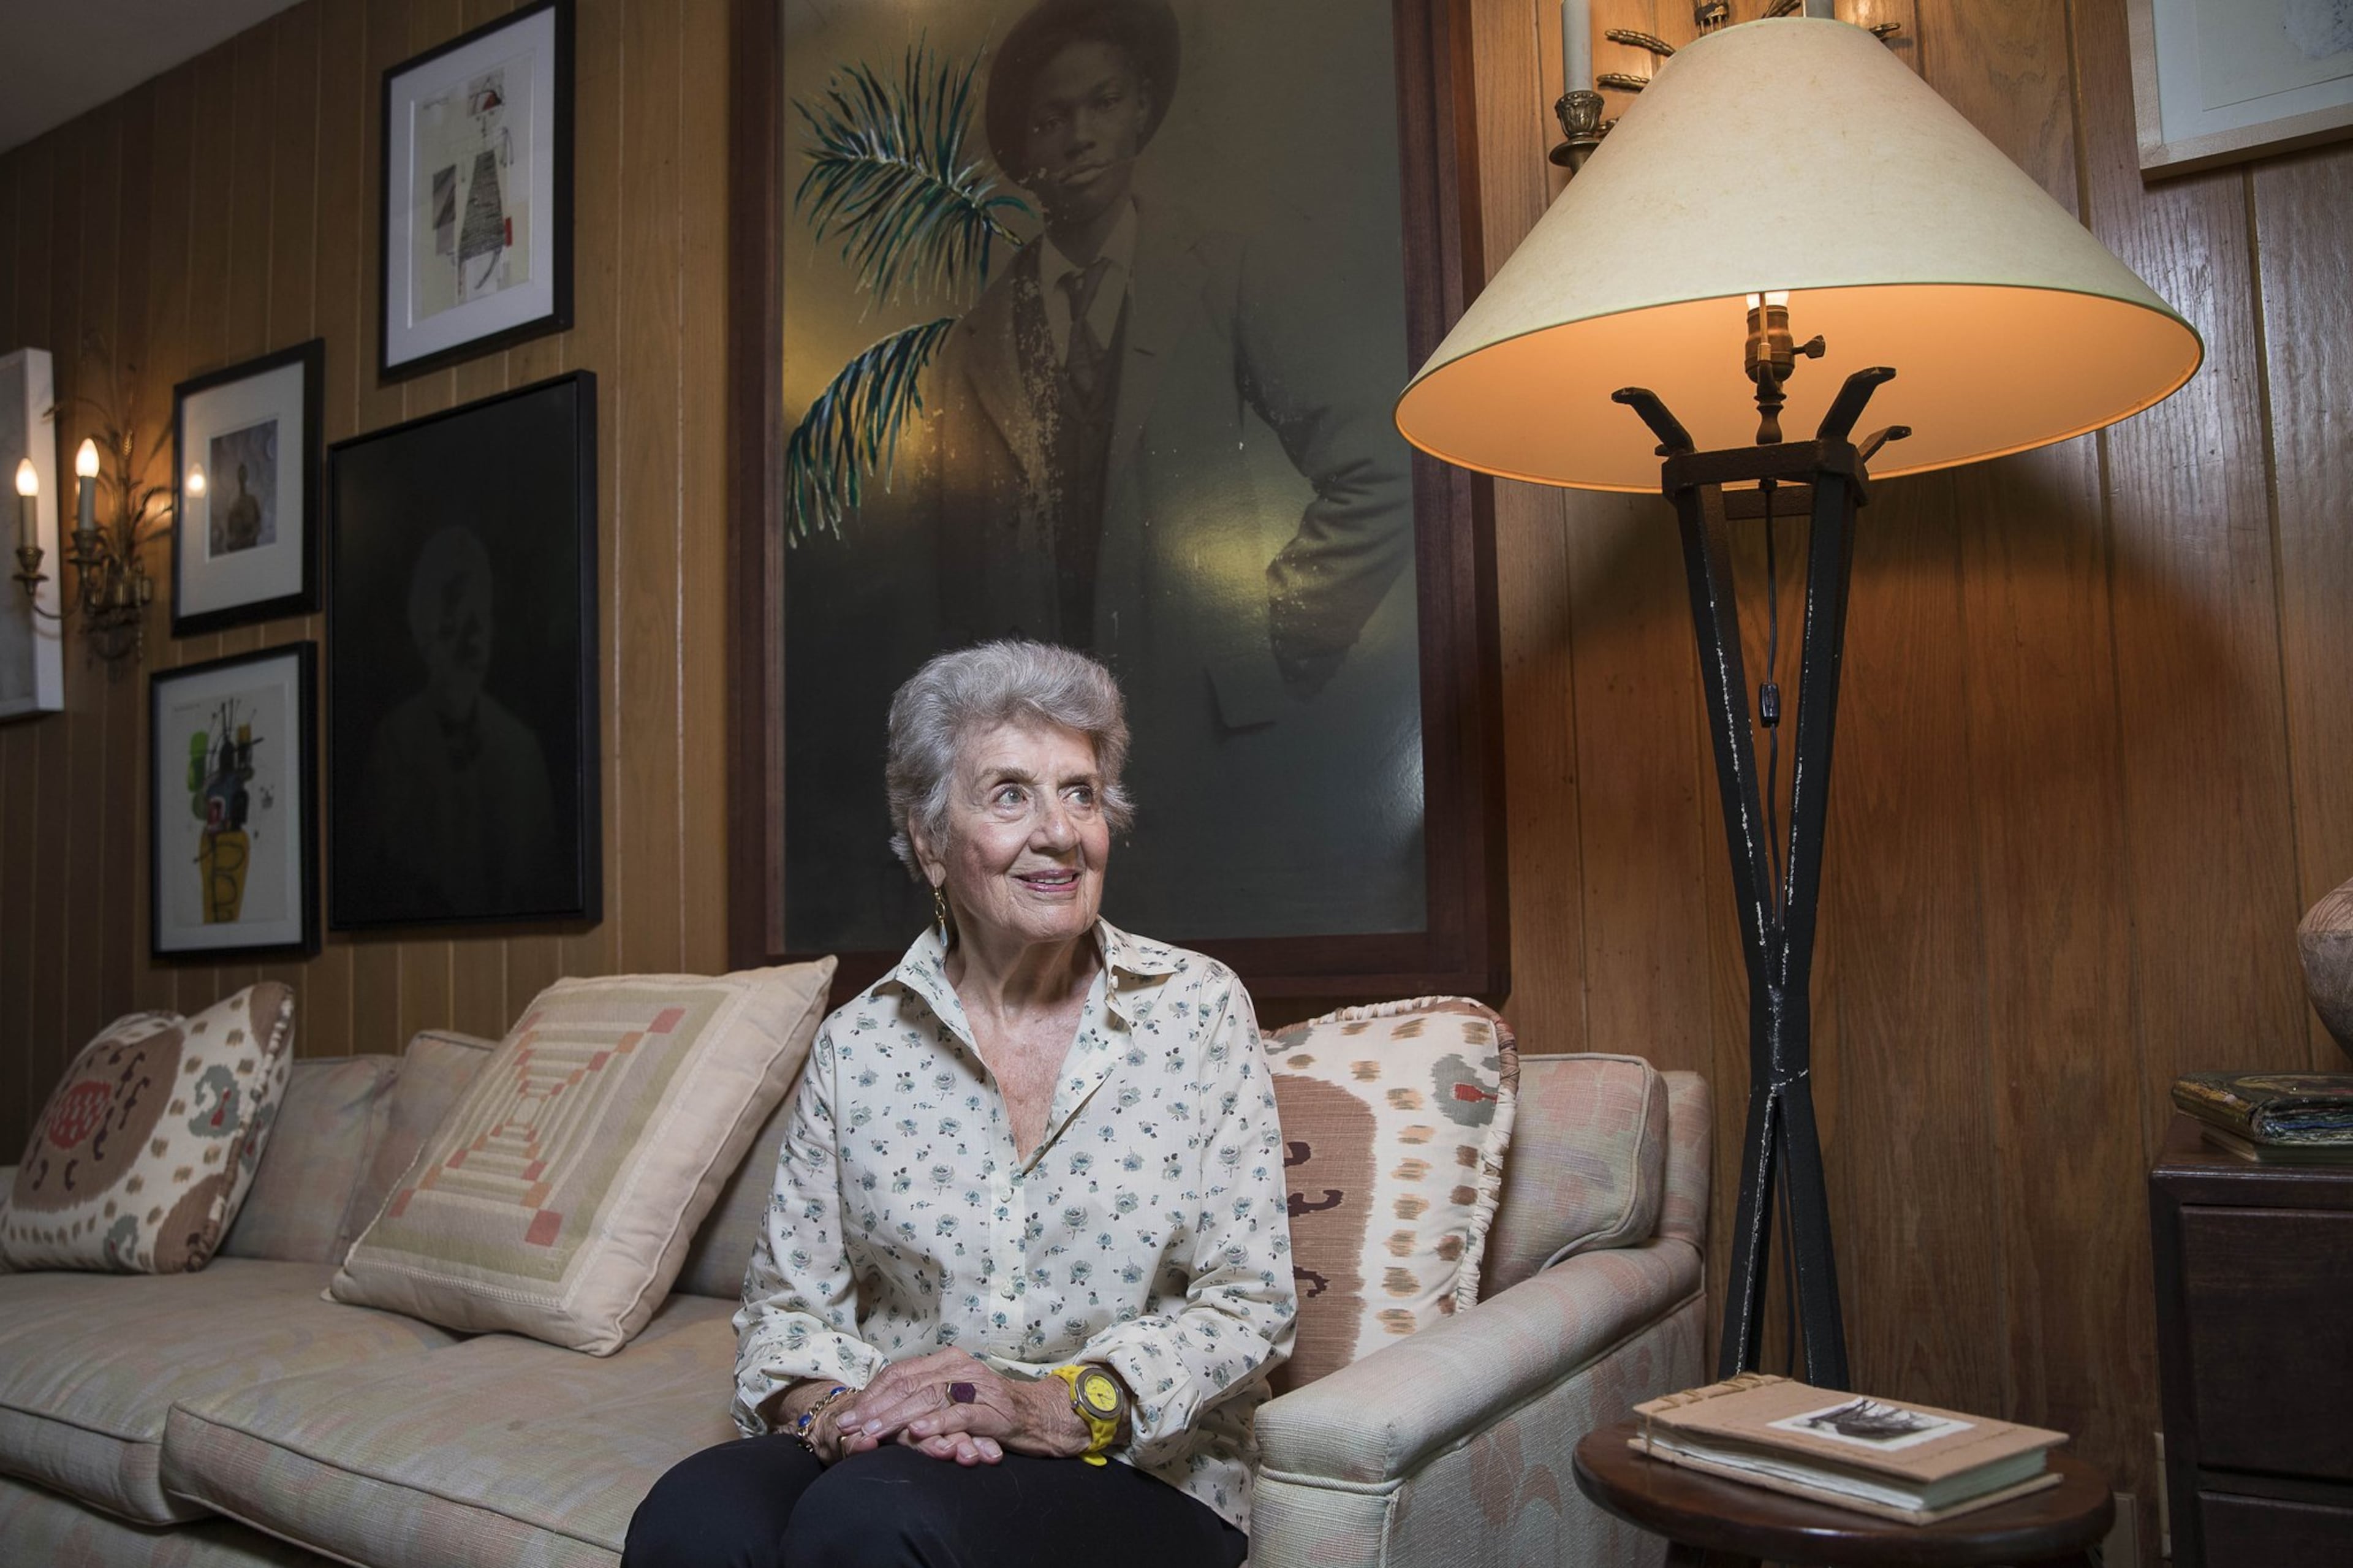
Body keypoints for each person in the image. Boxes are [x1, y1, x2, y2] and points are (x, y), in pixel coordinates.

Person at [624, 641, 1295, 1568]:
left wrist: (1046, 1404)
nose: (1060, 830)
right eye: (1012, 793)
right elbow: (787, 1314)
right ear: (932, 840)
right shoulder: (858, 1045)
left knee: (871, 1518)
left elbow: (1248, 1302)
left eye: (1081, 792)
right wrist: (845, 1416)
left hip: (1138, 1464)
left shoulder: (1196, 1008)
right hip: (891, 1445)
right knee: (691, 1516)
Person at [912, 0, 1425, 940]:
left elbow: (1379, 469)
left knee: (1198, 998)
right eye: (1051, 117)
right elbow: (952, 591)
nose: (1079, 135)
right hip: (1040, 795)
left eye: (1101, 103)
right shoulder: (977, 339)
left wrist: (1269, 637)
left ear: (1141, 109)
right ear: (1023, 146)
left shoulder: (1222, 270)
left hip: (1208, 753)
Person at [352, 525, 560, 918]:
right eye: (457, 617)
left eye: (482, 617)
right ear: (426, 627)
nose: (473, 639)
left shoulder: (520, 751)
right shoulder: (395, 746)